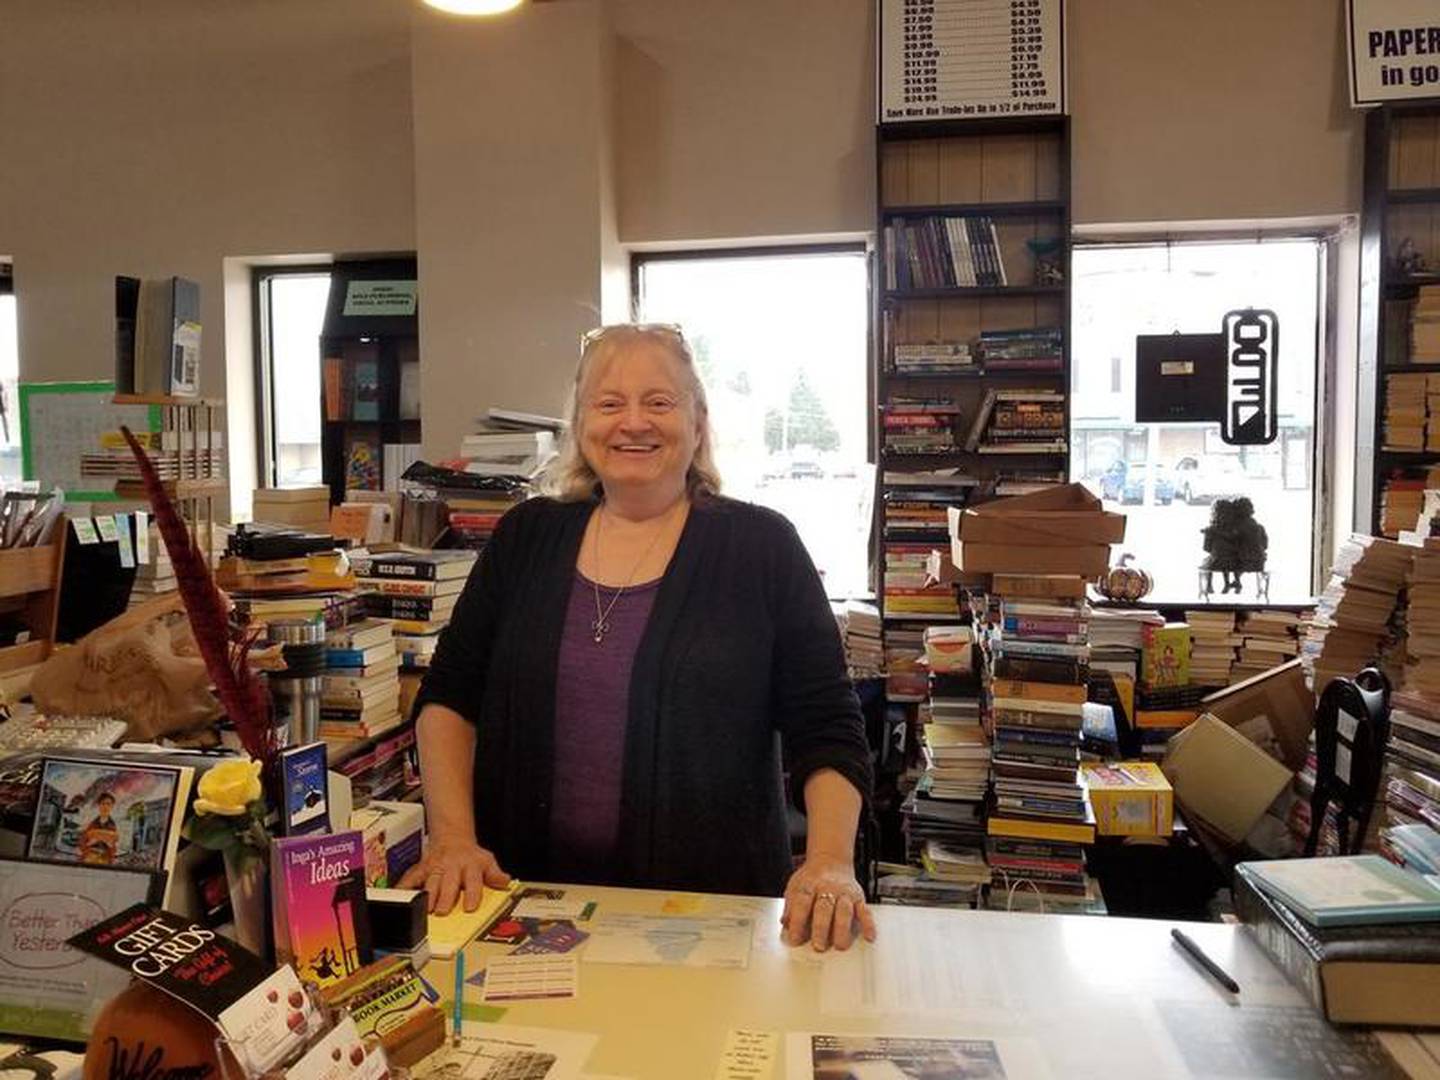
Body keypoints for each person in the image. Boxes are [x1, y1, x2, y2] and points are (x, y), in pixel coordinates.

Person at [400, 323, 875, 951]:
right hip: (527, 906)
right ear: (580, 422)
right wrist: (454, 838)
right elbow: (449, 697)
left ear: (698, 421)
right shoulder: (526, 538)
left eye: (659, 402)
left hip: (710, 918)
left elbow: (828, 727)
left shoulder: (762, 548)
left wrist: (830, 863)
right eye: (609, 403)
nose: (633, 423)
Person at [78, 791, 119, 865]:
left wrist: (110, 845)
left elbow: (114, 850)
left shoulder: (114, 827)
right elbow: (81, 844)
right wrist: (90, 843)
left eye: (108, 804)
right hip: (90, 856)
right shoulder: (90, 824)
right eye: (103, 804)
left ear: (112, 806)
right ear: (99, 805)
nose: (105, 807)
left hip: (105, 858)